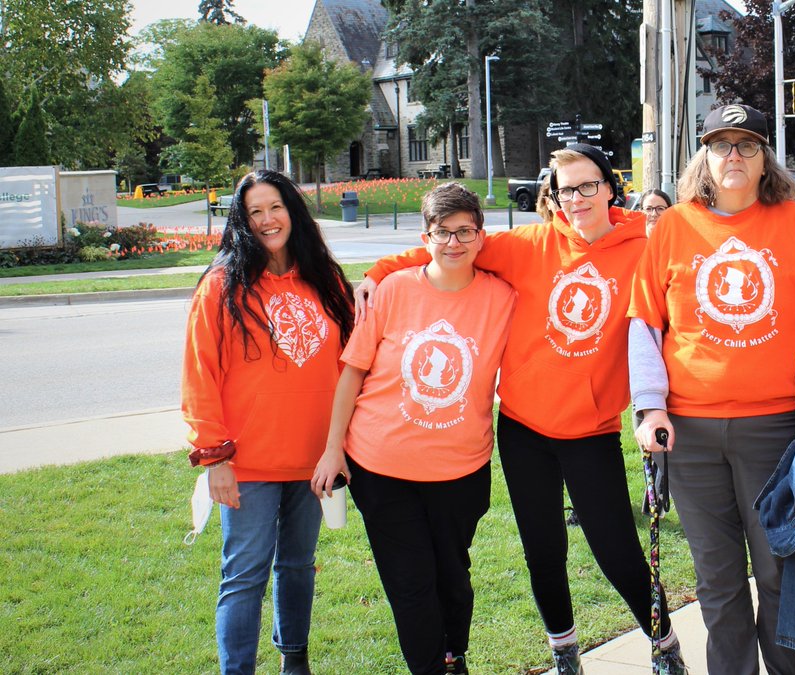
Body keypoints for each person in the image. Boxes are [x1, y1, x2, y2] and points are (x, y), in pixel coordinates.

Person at [354, 145, 686, 674]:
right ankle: (564, 653)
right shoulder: (530, 244)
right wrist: (381, 270)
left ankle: (665, 647)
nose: (576, 198)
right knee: (543, 552)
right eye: (564, 189)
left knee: (618, 551)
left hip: (591, 429)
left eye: (587, 185)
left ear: (610, 187)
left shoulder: (642, 250)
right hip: (524, 429)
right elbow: (452, 245)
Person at [628, 103, 795, 674]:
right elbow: (645, 324)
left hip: (776, 429)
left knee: (778, 571)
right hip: (689, 434)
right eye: (721, 145)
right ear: (706, 156)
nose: (734, 155)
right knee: (717, 581)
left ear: (765, 157)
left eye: (747, 144)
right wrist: (649, 407)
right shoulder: (673, 226)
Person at [313, 183, 515, 675]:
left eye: (464, 231)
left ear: (481, 235)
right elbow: (352, 372)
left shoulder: (503, 299)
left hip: (460, 469)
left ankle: (454, 655)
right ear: (426, 237)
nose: (453, 242)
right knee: (410, 583)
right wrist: (332, 449)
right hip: (381, 466)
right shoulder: (393, 290)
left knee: (453, 579)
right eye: (442, 232)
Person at [181, 169, 355, 675]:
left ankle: (294, 659)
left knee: (298, 565)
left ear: (292, 211)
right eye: (254, 211)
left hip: (315, 459)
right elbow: (199, 375)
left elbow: (352, 364)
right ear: (241, 220)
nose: (266, 219)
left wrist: (340, 445)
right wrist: (214, 458)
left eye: (275, 207)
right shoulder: (221, 286)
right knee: (244, 577)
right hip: (247, 464)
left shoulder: (325, 280)